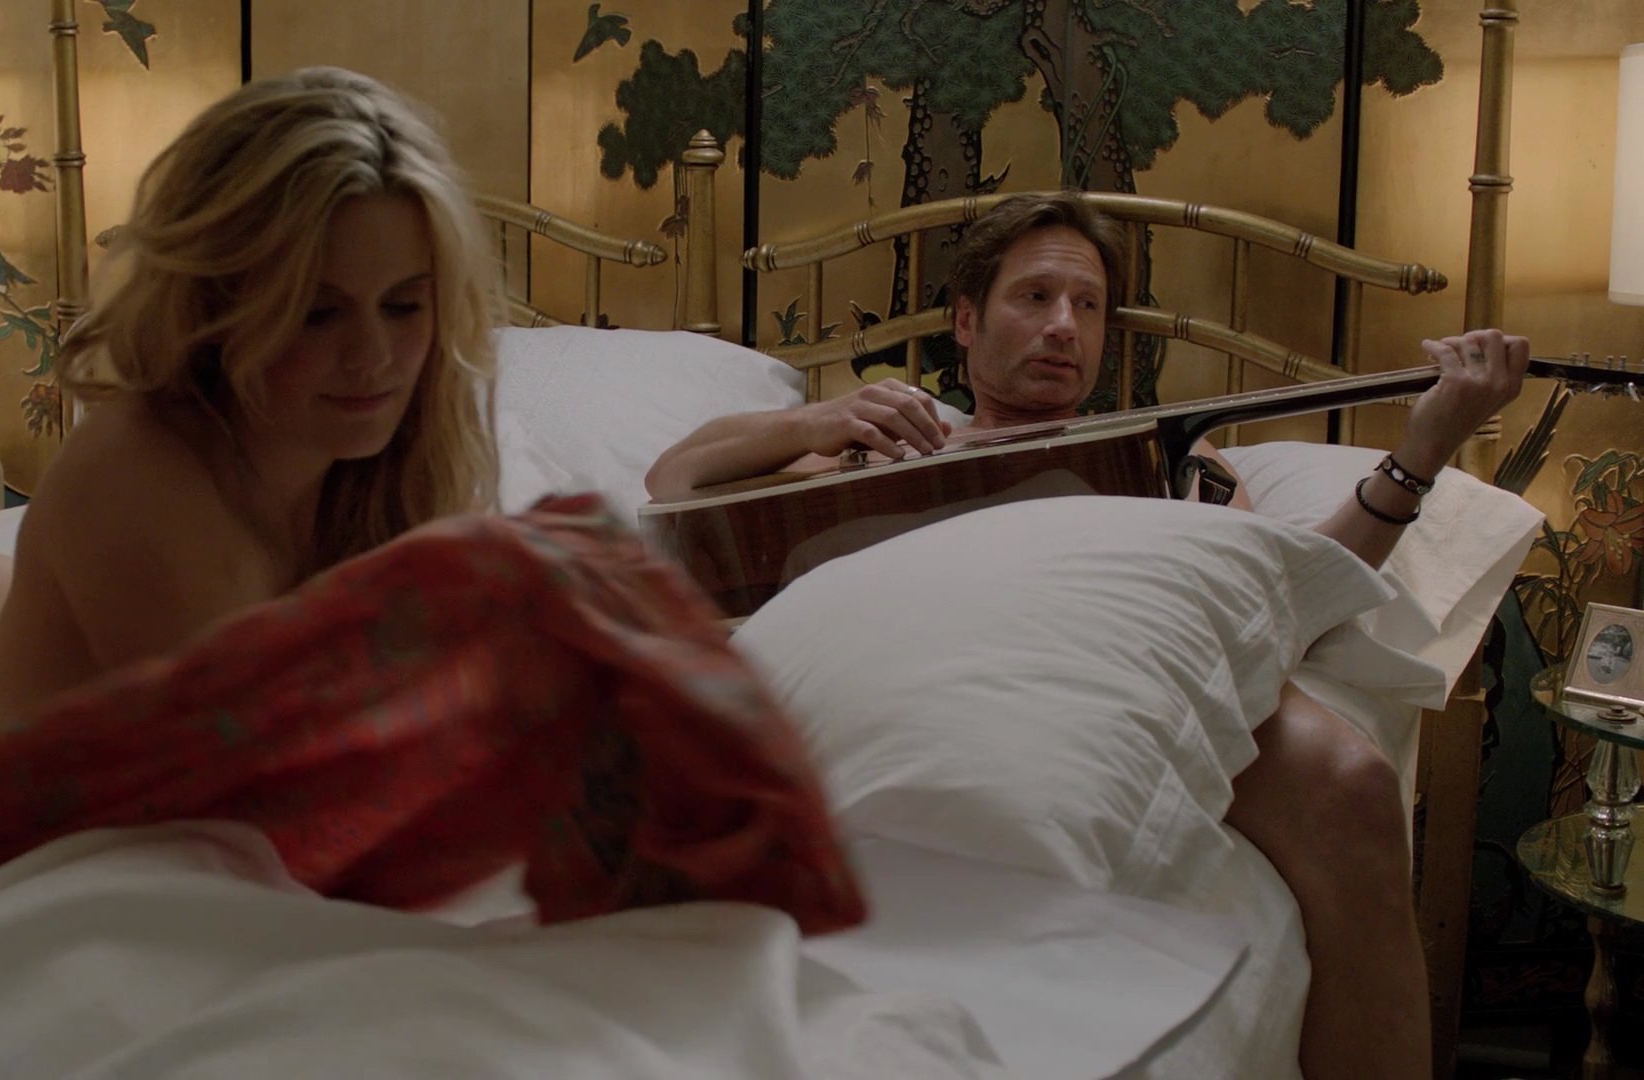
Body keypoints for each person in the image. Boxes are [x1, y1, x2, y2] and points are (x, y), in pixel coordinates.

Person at [646, 191, 1531, 1080]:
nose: (1064, 326)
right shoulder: (889, 448)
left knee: (1353, 780)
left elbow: (1293, 592)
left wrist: (1419, 455)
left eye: (1088, 305)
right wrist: (814, 420)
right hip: (915, 664)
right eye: (1034, 297)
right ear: (966, 320)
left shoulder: (1172, 462)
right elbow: (674, 479)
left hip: (1116, 665)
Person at [0, 67, 500, 762]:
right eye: (318, 314)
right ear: (219, 301)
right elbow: (282, 779)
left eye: (405, 305)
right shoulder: (140, 476)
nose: (373, 356)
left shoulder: (406, 457)